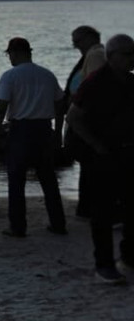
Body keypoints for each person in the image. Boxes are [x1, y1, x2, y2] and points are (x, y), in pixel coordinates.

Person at [66, 33, 134, 284]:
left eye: (133, 54)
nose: (131, 59)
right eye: (127, 54)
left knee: (130, 208)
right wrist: (97, 146)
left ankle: (128, 257)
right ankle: (104, 265)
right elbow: (73, 117)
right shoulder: (95, 82)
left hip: (128, 153)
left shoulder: (130, 82)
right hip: (103, 156)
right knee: (103, 212)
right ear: (112, 56)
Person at [0, 37, 66, 238]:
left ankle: (18, 226)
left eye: (9, 54)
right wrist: (58, 133)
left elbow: (0, 108)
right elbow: (60, 107)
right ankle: (58, 223)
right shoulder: (47, 75)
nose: (10, 58)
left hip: (21, 130)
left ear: (14, 53)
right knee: (49, 180)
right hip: (43, 130)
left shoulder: (10, 76)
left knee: (16, 180)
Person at [63, 25, 108, 218]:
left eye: (77, 41)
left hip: (87, 122)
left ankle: (89, 208)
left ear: (90, 37)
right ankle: (87, 207)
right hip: (82, 120)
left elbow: (96, 87)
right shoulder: (92, 54)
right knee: (89, 167)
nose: (75, 46)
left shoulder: (96, 55)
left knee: (92, 167)